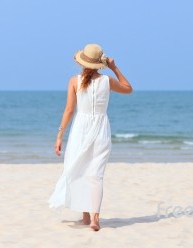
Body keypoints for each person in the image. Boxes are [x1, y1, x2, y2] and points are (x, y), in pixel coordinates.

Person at [48, 43, 132, 231]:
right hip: (101, 129)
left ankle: (86, 215)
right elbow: (128, 88)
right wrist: (114, 67)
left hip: (80, 130)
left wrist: (59, 135)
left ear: (82, 62)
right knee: (96, 175)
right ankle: (94, 218)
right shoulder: (107, 81)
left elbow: (69, 110)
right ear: (100, 63)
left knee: (80, 169)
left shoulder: (74, 81)